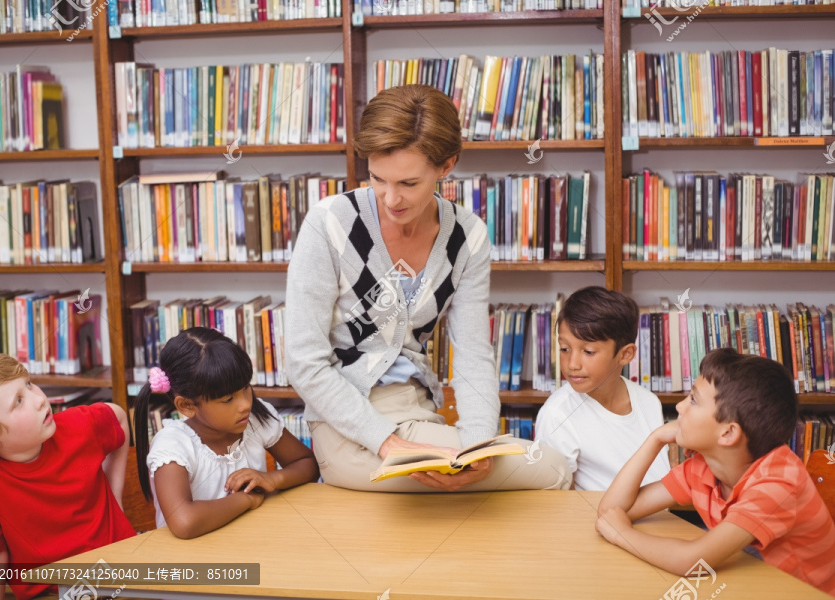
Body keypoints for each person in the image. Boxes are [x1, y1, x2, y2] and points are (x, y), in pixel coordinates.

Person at [284, 83, 570, 493]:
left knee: (529, 471)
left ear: (446, 166)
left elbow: (472, 353)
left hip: (418, 415)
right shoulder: (330, 223)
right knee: (553, 470)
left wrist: (478, 446)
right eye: (377, 178)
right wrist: (385, 440)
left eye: (408, 183)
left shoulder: (467, 237)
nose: (389, 198)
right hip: (345, 427)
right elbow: (303, 362)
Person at [596, 348, 835, 595]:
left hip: (801, 592)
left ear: (728, 433)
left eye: (693, 400)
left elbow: (692, 561)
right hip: (753, 577)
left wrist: (622, 534)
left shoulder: (779, 484)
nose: (679, 407)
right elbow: (610, 512)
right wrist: (655, 439)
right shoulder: (705, 466)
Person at [0, 351, 135, 600]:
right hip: (51, 591)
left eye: (28, 384)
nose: (39, 399)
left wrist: (116, 499)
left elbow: (117, 416)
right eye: (18, 401)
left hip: (125, 571)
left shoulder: (81, 425)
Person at [134, 327, 319, 539]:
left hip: (253, 543)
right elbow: (184, 522)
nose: (245, 405)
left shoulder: (255, 417)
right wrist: (246, 500)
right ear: (186, 406)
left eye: (245, 388)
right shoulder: (173, 445)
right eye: (228, 399)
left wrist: (272, 479)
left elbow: (308, 464)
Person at [534, 286, 669, 490]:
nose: (572, 364)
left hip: (658, 519)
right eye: (564, 349)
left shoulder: (648, 401)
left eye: (588, 351)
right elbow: (556, 502)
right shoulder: (557, 415)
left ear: (625, 354)